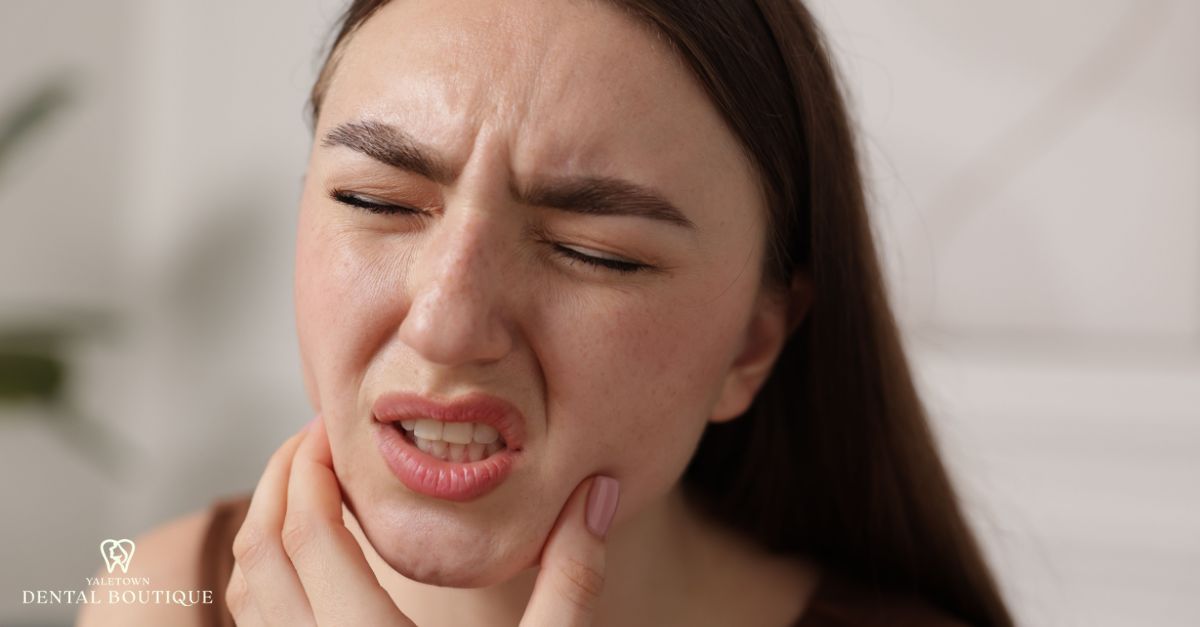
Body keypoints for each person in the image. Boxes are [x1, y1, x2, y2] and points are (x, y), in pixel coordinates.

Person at [79, 0, 1014, 625]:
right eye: (376, 201)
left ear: (753, 344)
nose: (445, 323)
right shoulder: (160, 595)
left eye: (592, 251)